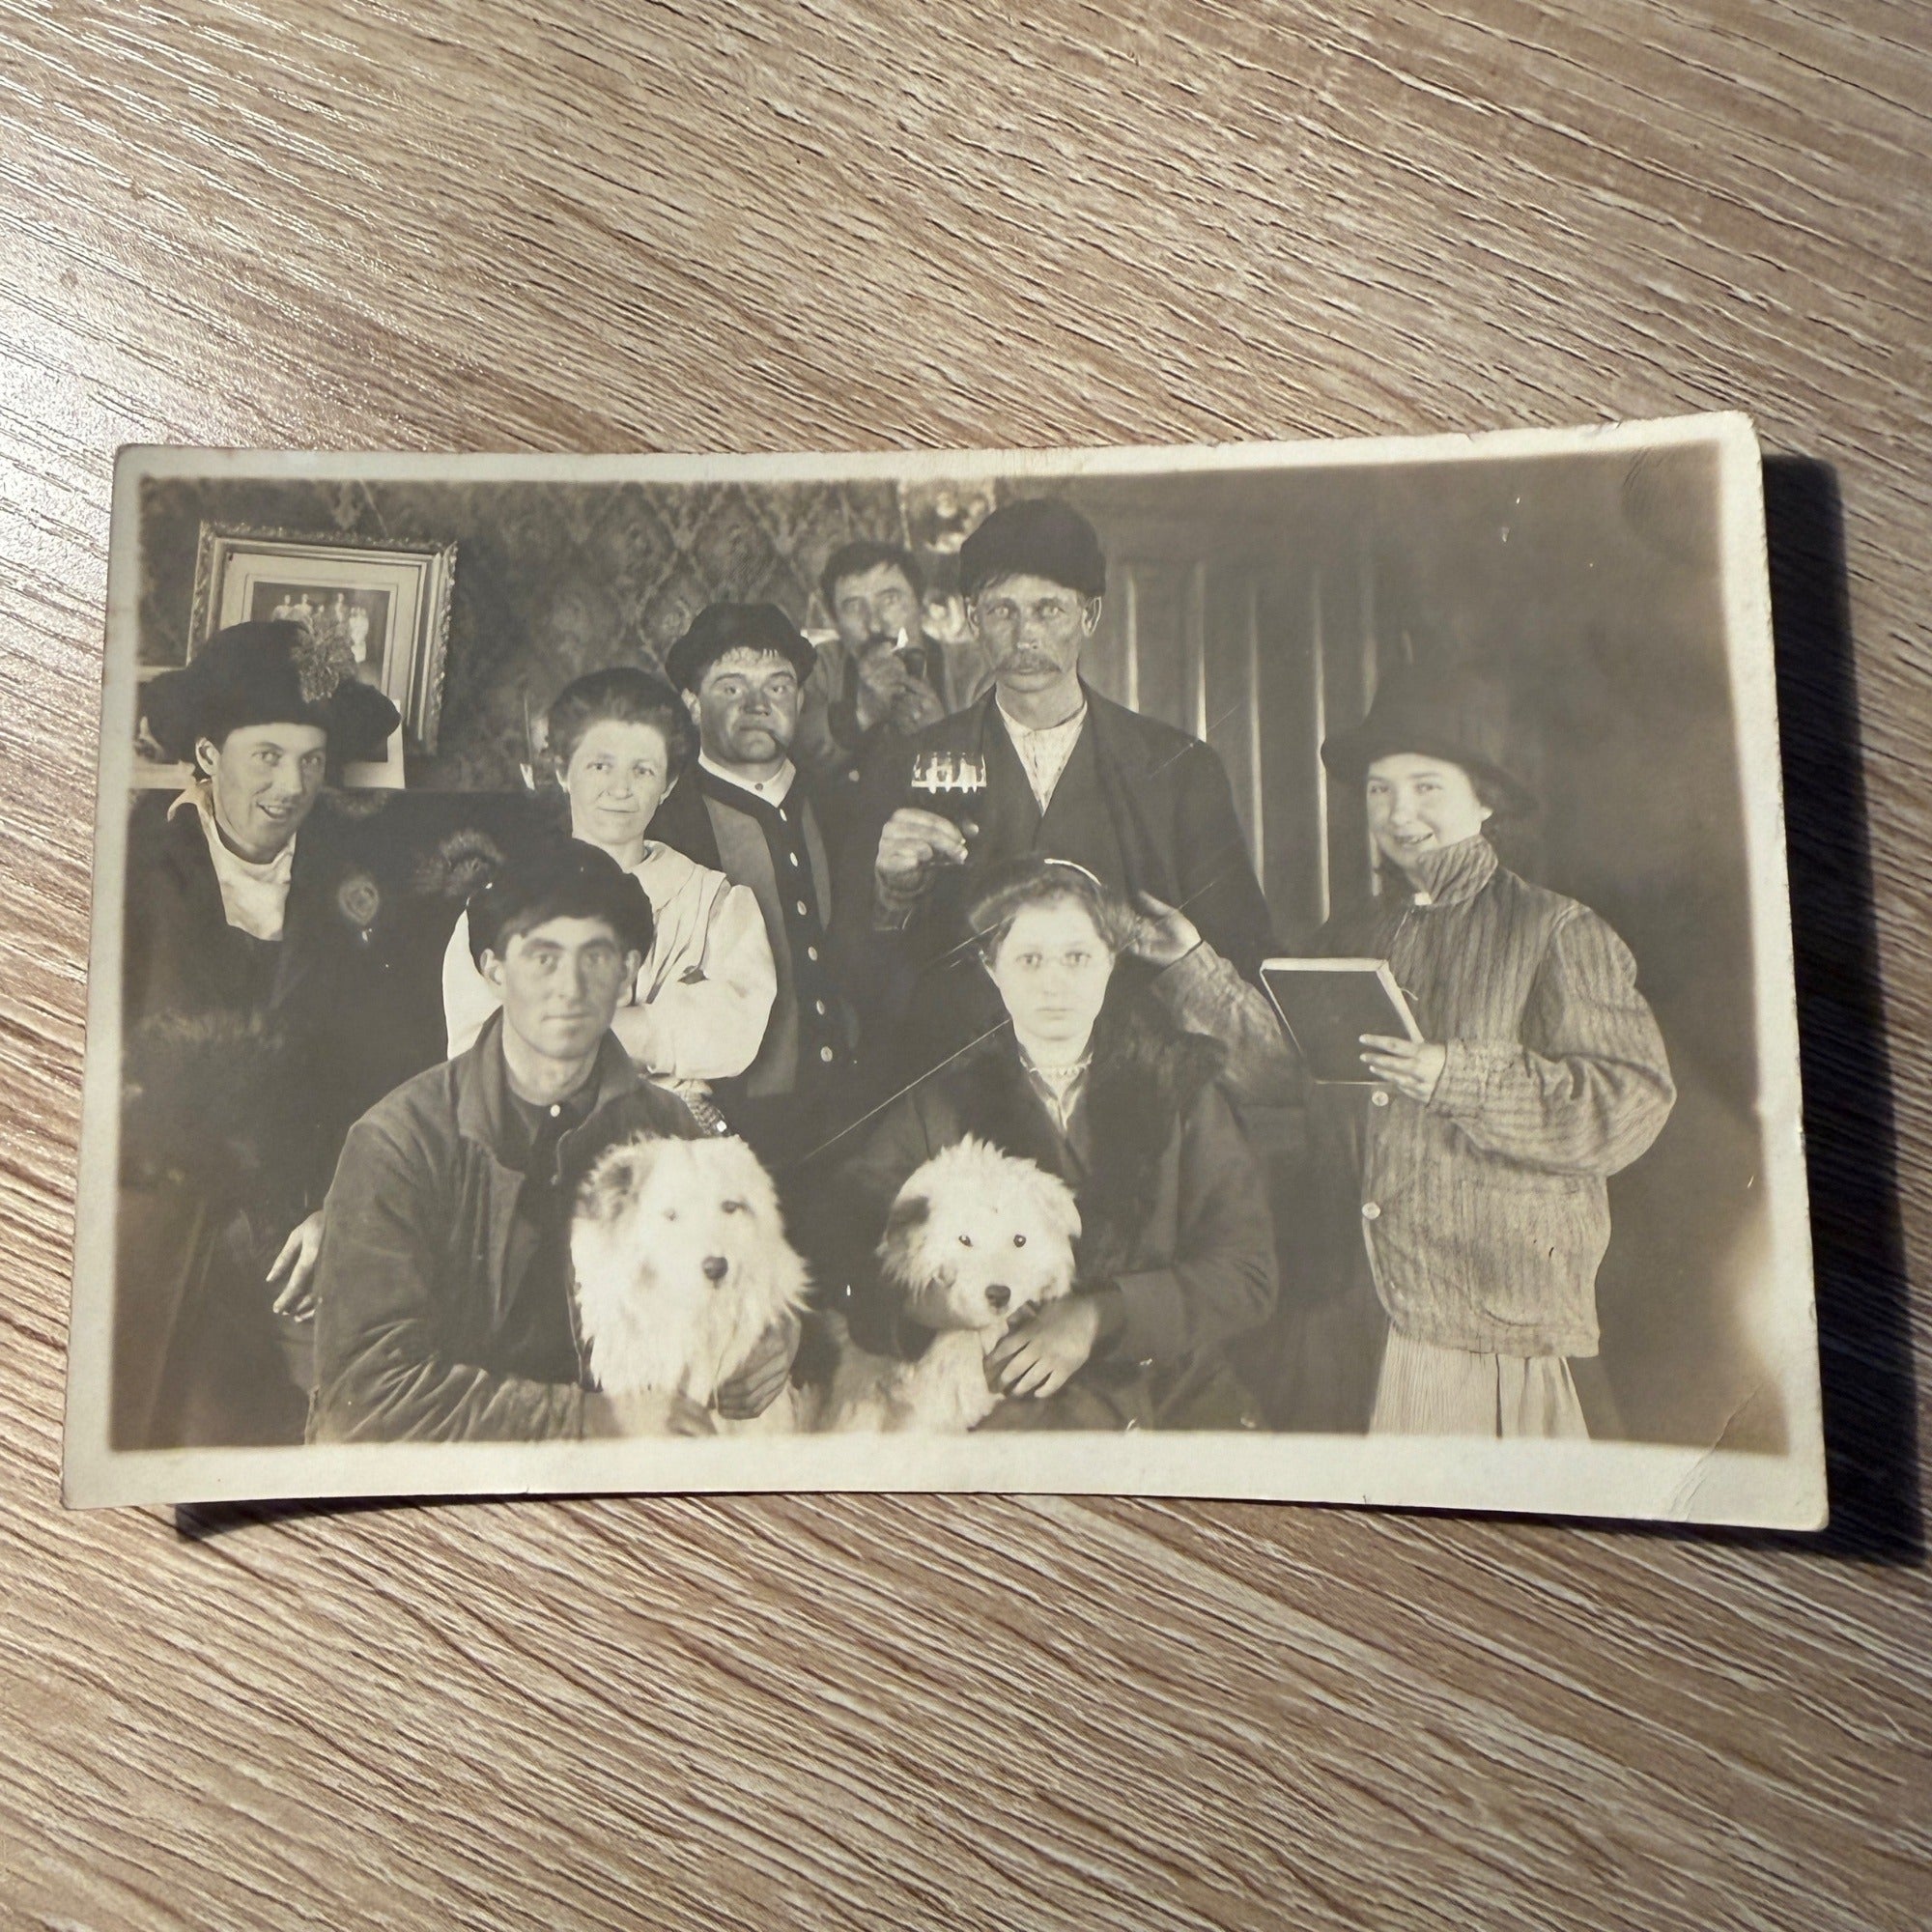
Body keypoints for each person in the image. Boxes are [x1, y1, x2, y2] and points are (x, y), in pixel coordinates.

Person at [1151, 659, 1677, 1438]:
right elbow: (1283, 1075)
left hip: (1485, 1321)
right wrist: (1184, 960)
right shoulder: (1354, 934)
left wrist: (1457, 1076)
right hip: (1349, 1305)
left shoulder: (1557, 931)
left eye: (1427, 786)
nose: (1400, 813)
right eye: (1380, 790)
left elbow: (1629, 1105)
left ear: (1485, 800)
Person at [310, 842, 799, 1442]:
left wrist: (769, 1341)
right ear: (493, 972)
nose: (568, 988)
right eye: (542, 957)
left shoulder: (669, 1128)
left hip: (617, 1489)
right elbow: (364, 1397)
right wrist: (594, 1420)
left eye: (596, 958)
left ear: (626, 976)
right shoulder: (400, 1142)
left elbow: (751, 1269)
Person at [821, 857, 1277, 1431]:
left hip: (1175, 1399)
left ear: (1110, 962)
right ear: (993, 969)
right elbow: (849, 1247)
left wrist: (1098, 1315)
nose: (1054, 984)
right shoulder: (937, 1105)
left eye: (1077, 958)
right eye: (1029, 960)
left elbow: (1248, 1274)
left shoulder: (1181, 1089)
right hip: (1013, 1409)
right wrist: (926, 1306)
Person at [833, 496, 1276, 1087]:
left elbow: (1243, 965)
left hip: (1135, 1094)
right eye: (1002, 612)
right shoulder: (907, 766)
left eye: (1049, 610)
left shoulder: (1178, 769)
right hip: (971, 1095)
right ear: (971, 618)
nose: (1025, 637)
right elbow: (855, 982)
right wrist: (890, 900)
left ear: (1089, 616)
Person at [116, 618, 403, 1447]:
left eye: (311, 759)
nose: (292, 785)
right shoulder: (133, 873)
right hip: (157, 1217)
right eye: (267, 756)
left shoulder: (352, 883)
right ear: (207, 756)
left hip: (304, 1219)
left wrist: (338, 1204)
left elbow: (382, 1065)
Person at [441, 668, 776, 1122]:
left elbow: (735, 1031)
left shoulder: (714, 904)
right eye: (600, 766)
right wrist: (657, 1028)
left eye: (643, 770)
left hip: (671, 1134)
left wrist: (572, 1030)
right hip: (533, 1130)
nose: (621, 789)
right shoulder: (499, 905)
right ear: (563, 771)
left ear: (669, 785)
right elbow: (478, 1050)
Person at [649, 604, 858, 1165]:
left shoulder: (844, 806)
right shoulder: (665, 824)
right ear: (692, 704)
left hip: (853, 1109)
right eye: (731, 688)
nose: (758, 706)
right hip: (732, 1123)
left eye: (778, 685)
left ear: (801, 700)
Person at [792, 539, 993, 794]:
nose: (875, 624)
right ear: (834, 621)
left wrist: (940, 738)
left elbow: (1003, 787)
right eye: (853, 606)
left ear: (920, 604)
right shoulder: (816, 669)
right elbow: (789, 759)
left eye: (889, 600)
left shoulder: (975, 671)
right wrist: (860, 714)